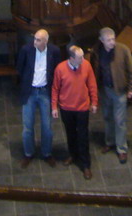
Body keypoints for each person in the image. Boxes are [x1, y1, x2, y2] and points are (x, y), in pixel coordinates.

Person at [51, 44, 97, 180]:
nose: (83, 59)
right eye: (80, 57)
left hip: (82, 107)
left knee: (83, 136)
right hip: (67, 108)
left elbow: (92, 85)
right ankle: (73, 154)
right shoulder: (60, 69)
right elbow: (55, 89)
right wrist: (54, 107)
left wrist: (94, 102)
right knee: (70, 133)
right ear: (71, 58)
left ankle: (85, 164)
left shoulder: (87, 66)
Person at [16, 28, 61, 167]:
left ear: (46, 41)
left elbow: (57, 70)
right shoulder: (26, 50)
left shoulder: (54, 51)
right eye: (34, 38)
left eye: (38, 40)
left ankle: (47, 153)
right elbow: (19, 68)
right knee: (27, 126)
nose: (34, 41)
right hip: (30, 92)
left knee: (47, 126)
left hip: (44, 92)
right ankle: (28, 153)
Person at [92, 26, 132, 163]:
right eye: (108, 40)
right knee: (107, 117)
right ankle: (110, 141)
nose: (112, 42)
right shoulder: (97, 51)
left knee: (120, 120)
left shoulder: (123, 50)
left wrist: (131, 88)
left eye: (113, 39)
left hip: (119, 90)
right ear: (101, 40)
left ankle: (121, 148)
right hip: (105, 90)